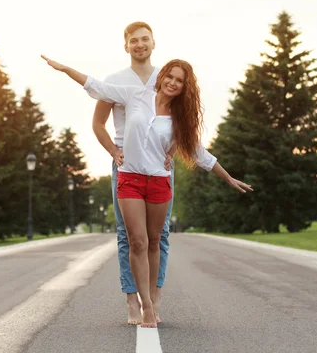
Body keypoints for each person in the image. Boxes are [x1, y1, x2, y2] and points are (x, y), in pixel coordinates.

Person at [41, 55, 253, 328]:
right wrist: (65, 68)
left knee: (154, 241)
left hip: (159, 183)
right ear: (162, 75)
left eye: (179, 81)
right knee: (136, 241)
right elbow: (96, 86)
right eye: (171, 77)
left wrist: (227, 177)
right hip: (129, 178)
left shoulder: (179, 118)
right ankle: (147, 307)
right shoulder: (134, 95)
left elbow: (200, 153)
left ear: (184, 88)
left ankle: (151, 299)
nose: (173, 83)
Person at [91, 22, 199, 326]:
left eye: (145, 40)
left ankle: (153, 299)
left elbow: (183, 119)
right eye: (134, 41)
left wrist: (174, 150)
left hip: (160, 168)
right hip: (126, 165)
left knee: (159, 235)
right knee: (128, 236)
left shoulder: (164, 77)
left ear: (154, 43)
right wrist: (113, 151)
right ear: (126, 46)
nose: (140, 45)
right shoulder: (115, 81)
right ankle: (131, 301)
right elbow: (98, 123)